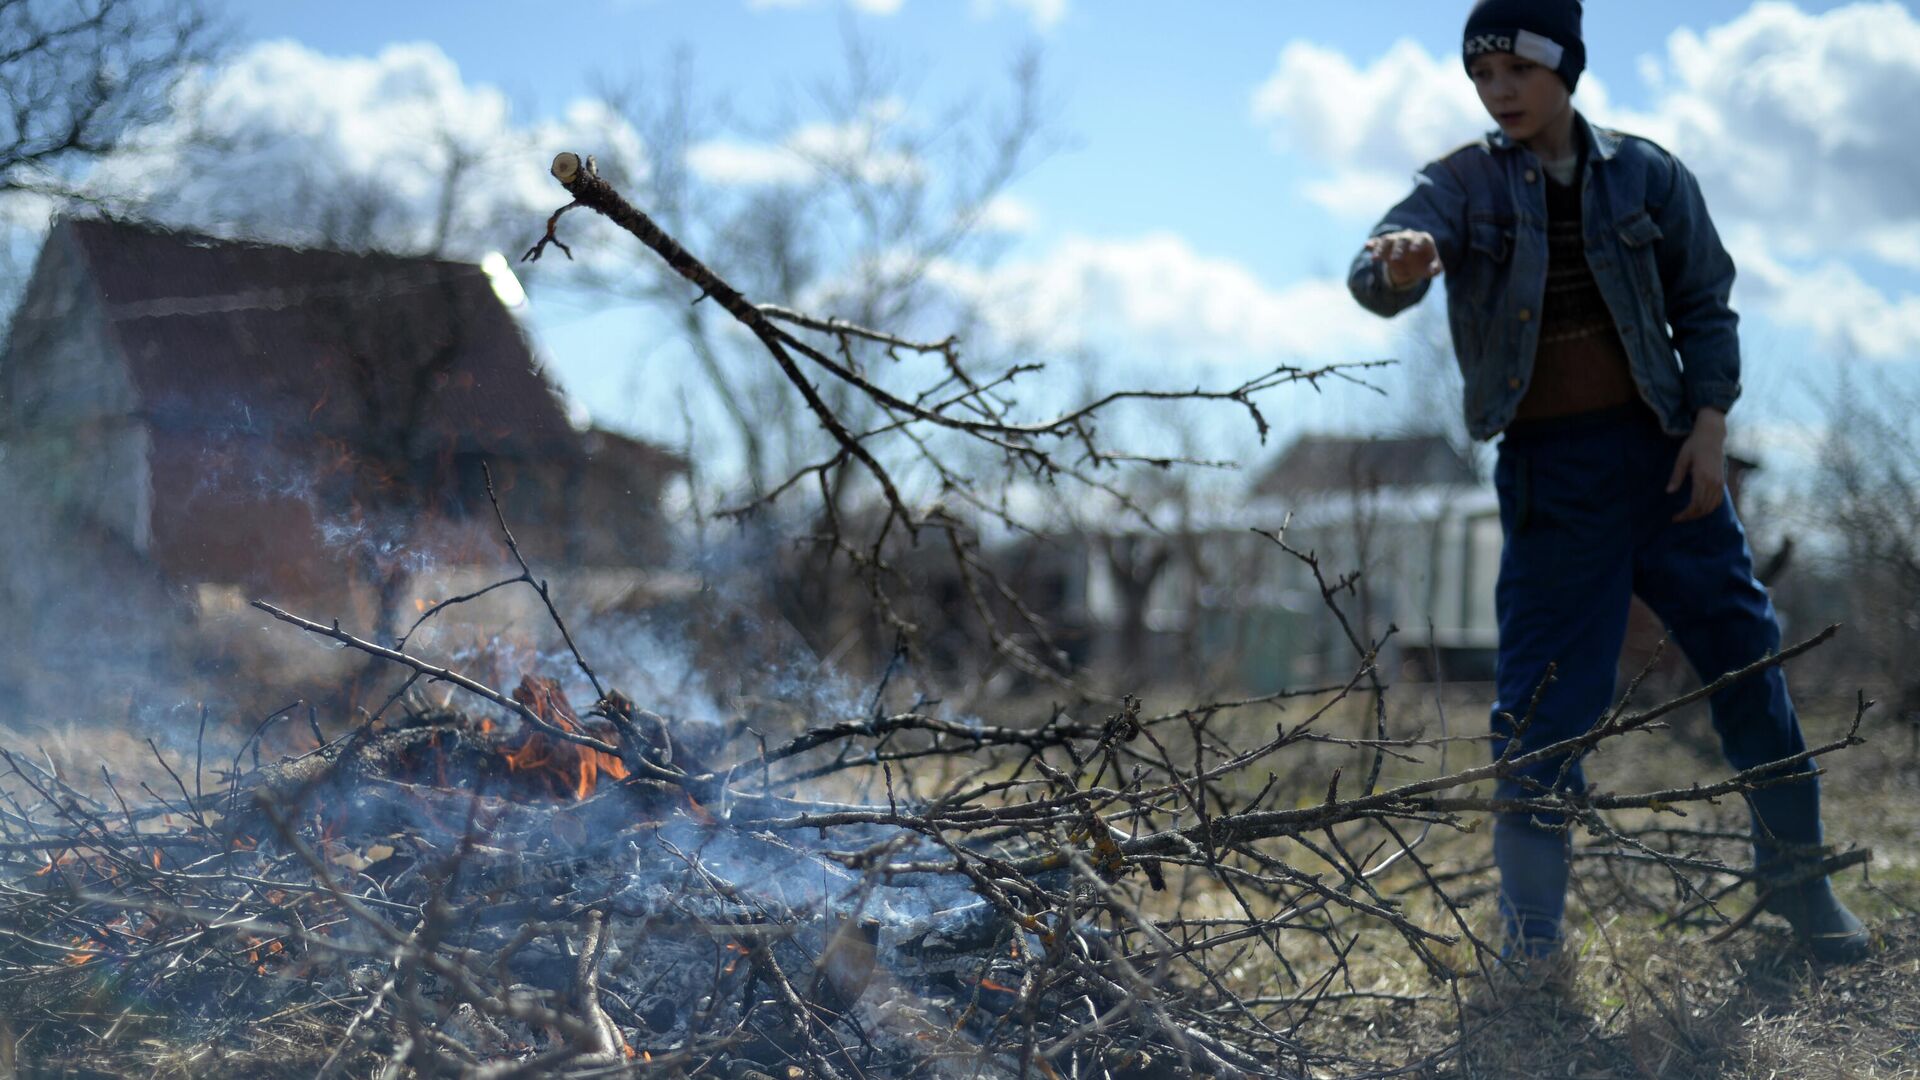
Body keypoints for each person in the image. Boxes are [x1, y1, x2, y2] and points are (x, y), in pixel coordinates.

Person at [1348, 0, 1869, 966]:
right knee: (1542, 699)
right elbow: (1384, 260)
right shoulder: (1461, 184)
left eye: (1518, 70)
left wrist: (1710, 427)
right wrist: (1397, 264)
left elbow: (1705, 303)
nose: (1499, 91)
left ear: (1567, 69)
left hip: (1667, 459)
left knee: (1746, 662)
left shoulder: (1648, 174)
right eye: (1482, 75)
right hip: (1551, 476)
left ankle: (1804, 890)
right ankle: (1532, 936)